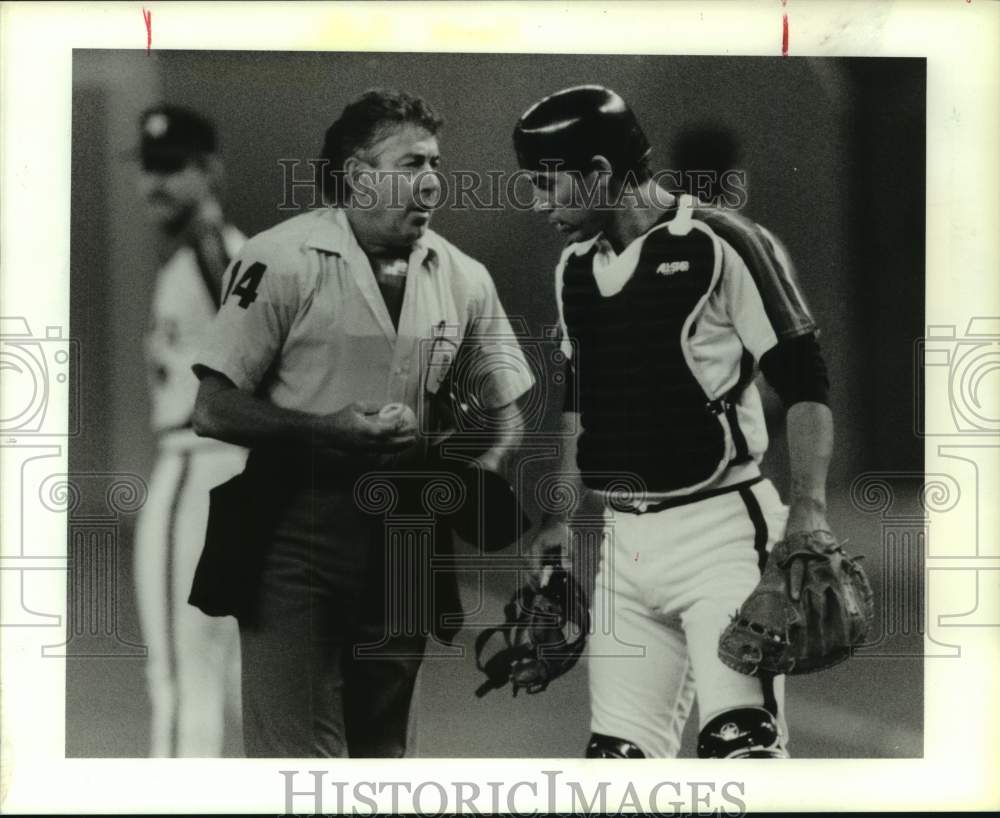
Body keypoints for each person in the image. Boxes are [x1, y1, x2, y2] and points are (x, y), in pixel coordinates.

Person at [190, 88, 534, 758]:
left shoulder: (464, 276)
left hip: (406, 536)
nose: (431, 182)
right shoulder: (280, 258)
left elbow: (504, 414)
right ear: (357, 175)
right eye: (411, 164)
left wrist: (466, 467)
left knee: (386, 763)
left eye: (435, 164)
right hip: (296, 527)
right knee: (298, 768)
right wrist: (330, 430)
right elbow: (212, 407)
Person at [513, 85, 834, 759]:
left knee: (740, 751)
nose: (540, 203)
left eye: (548, 183)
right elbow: (580, 400)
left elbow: (805, 381)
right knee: (616, 768)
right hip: (625, 549)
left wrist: (809, 511)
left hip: (722, 537)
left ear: (599, 172)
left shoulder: (724, 243)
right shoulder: (575, 269)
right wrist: (558, 521)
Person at [131, 104, 247, 757]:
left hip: (198, 470)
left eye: (172, 166)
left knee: (180, 680)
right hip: (235, 475)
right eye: (149, 167)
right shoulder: (216, 251)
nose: (154, 182)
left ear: (210, 171)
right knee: (233, 682)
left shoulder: (210, 248)